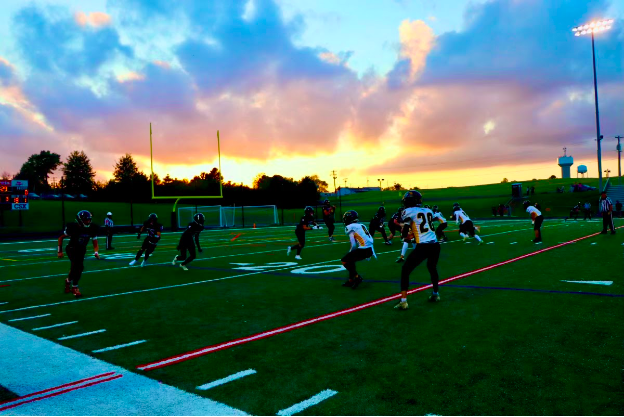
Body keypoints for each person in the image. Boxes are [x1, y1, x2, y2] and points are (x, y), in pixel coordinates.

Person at [394, 190, 441, 310]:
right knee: (432, 268)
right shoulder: (428, 210)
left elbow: (406, 229)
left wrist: (406, 236)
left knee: (405, 270)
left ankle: (403, 302)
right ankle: (435, 294)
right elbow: (421, 227)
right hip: (435, 245)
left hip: (423, 246)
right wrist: (412, 235)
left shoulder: (408, 211)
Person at [57, 210, 100, 298]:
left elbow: (95, 241)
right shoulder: (74, 227)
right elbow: (61, 237)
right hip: (72, 249)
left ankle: (68, 281)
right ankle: (75, 287)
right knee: (78, 267)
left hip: (81, 250)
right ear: (80, 219)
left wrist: (96, 252)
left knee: (75, 268)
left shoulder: (92, 228)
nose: (88, 221)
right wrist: (59, 251)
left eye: (89, 219)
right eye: (86, 220)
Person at [340, 210, 375, 289]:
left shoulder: (349, 227)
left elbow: (353, 244)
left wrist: (350, 251)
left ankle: (357, 277)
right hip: (369, 249)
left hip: (364, 249)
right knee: (351, 260)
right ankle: (350, 280)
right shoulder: (361, 225)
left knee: (345, 260)